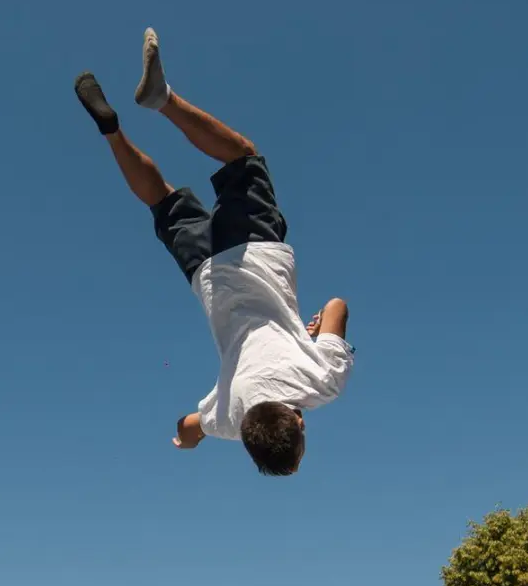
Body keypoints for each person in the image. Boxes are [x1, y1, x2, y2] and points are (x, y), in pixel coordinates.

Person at [73, 28, 354, 476]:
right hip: (207, 276)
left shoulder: (322, 382)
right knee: (160, 199)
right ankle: (111, 131)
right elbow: (187, 428)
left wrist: (318, 334)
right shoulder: (227, 417)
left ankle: (162, 98)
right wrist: (186, 442)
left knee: (243, 158)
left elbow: (337, 305)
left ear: (299, 423)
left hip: (258, 254)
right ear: (248, 438)